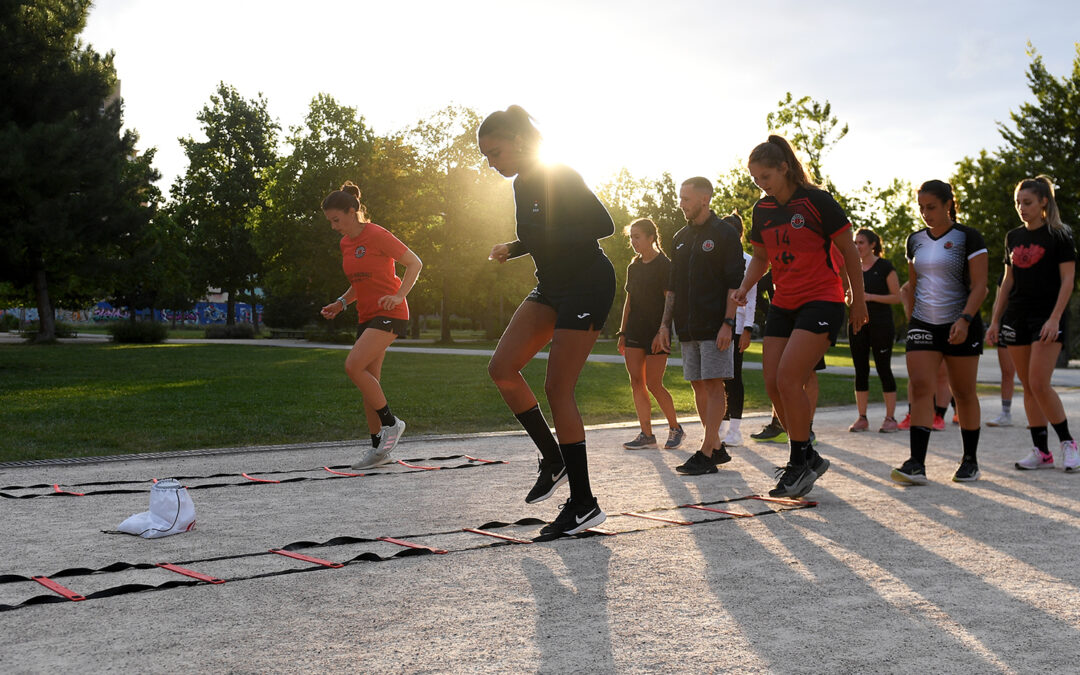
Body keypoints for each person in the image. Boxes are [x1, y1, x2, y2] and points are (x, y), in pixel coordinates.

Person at [480, 105, 615, 535]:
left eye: (495, 152)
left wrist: (538, 239)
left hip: (588, 284)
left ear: (518, 142)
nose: (491, 163)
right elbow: (543, 232)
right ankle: (553, 458)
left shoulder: (559, 173)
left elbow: (602, 223)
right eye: (486, 157)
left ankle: (584, 503)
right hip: (553, 286)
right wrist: (514, 247)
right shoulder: (522, 184)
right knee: (502, 369)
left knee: (558, 387)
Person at [733, 135, 868, 497]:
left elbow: (849, 252)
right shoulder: (762, 211)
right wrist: (745, 288)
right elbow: (761, 258)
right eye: (756, 179)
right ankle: (808, 453)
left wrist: (857, 298)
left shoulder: (817, 201)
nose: (761, 184)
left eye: (766, 176)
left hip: (822, 300)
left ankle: (799, 463)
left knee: (791, 378)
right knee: (774, 383)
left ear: (784, 167)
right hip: (783, 302)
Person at [890, 180, 988, 485]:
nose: (925, 213)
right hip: (923, 324)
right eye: (920, 207)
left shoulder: (968, 237)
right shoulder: (914, 240)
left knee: (963, 392)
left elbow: (981, 286)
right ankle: (916, 463)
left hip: (961, 322)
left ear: (948, 204)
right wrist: (912, 317)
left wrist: (965, 319)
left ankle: (970, 460)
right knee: (920, 387)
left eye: (931, 207)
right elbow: (914, 285)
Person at [320, 181, 422, 469]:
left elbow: (414, 263)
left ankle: (391, 423)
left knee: (353, 366)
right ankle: (380, 448)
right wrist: (341, 303)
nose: (333, 226)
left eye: (336, 220)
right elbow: (358, 282)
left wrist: (399, 294)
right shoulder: (345, 243)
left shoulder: (377, 234)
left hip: (391, 313)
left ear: (352, 212)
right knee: (369, 383)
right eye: (330, 221)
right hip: (366, 316)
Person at [653, 178, 744, 476]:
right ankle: (716, 446)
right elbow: (672, 287)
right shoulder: (679, 237)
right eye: (680, 198)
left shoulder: (725, 234)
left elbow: (734, 283)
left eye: (686, 198)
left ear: (705, 198)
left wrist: (728, 323)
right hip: (687, 326)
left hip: (715, 323)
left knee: (715, 383)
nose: (681, 203)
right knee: (697, 383)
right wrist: (665, 326)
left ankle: (706, 451)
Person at [987, 175, 1077, 471]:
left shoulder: (1060, 235)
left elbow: (1068, 280)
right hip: (1017, 315)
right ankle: (1042, 451)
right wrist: (995, 320)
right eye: (1018, 203)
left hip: (1048, 316)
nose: (1021, 208)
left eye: (1027, 203)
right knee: (1027, 385)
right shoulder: (1013, 237)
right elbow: (1007, 281)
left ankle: (1068, 443)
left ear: (1043, 203)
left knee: (1039, 382)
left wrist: (1054, 318)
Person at [617, 218, 685, 450]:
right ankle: (647, 434)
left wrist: (662, 330)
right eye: (631, 237)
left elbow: (670, 300)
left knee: (654, 383)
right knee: (637, 382)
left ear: (651, 238)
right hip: (634, 330)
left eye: (637, 237)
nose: (633, 241)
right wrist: (622, 331)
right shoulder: (633, 267)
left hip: (657, 333)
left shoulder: (664, 265)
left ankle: (676, 428)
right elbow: (629, 302)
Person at [847, 228, 901, 433]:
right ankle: (862, 418)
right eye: (855, 243)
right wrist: (850, 298)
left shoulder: (885, 267)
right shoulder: (851, 267)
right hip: (857, 324)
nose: (857, 246)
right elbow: (846, 294)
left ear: (872, 245)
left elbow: (896, 297)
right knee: (860, 370)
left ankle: (890, 418)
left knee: (883, 369)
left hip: (881, 325)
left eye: (861, 243)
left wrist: (869, 297)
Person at [719, 212, 758, 447]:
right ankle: (719, 428)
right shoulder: (718, 260)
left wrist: (747, 330)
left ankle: (735, 430)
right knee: (718, 378)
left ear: (740, 234)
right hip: (719, 325)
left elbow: (751, 300)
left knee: (734, 379)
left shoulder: (749, 261)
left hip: (738, 326)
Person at [987, 271, 1018, 427]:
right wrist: (994, 322)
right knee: (1007, 372)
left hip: (1031, 323)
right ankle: (1005, 413)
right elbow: (998, 300)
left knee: (1033, 375)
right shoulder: (1006, 273)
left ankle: (1040, 414)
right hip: (1007, 324)